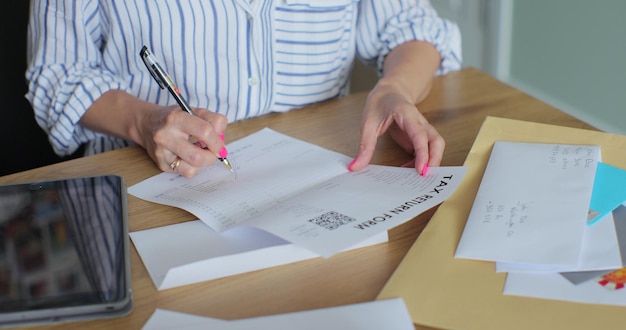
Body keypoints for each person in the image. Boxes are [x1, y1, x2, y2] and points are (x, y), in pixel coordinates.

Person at [25, 0, 461, 179]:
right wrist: (144, 121)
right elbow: (58, 73)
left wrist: (395, 88)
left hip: (318, 179)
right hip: (147, 188)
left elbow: (410, 26)